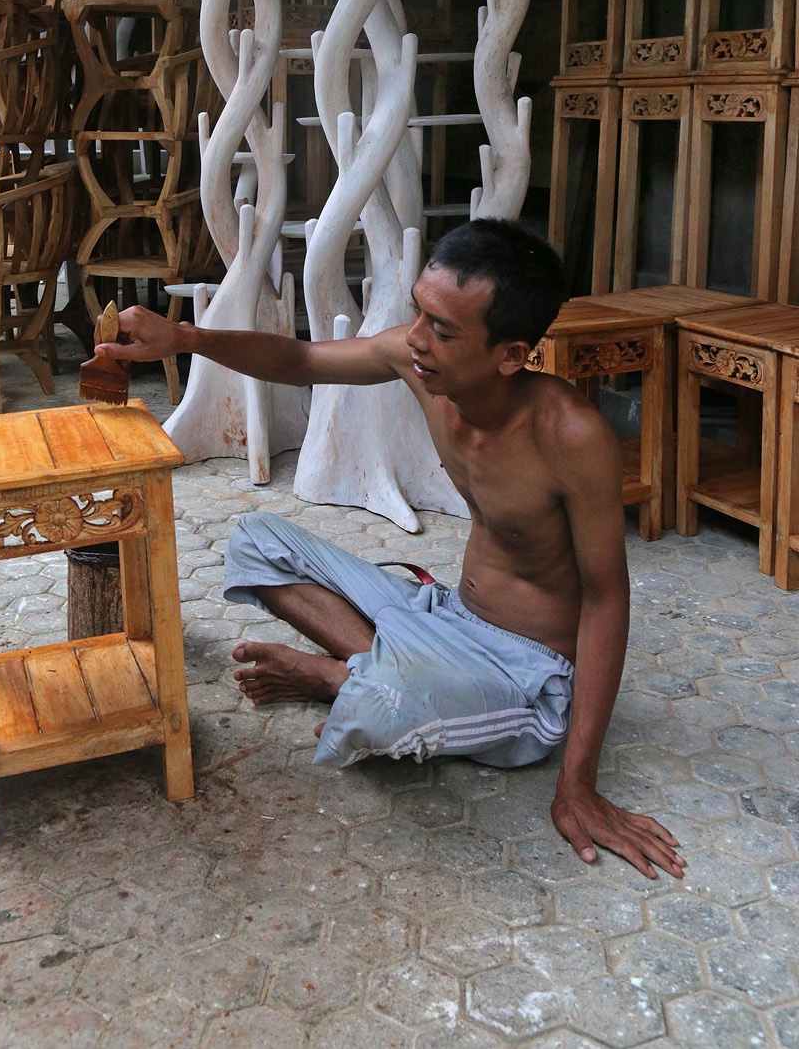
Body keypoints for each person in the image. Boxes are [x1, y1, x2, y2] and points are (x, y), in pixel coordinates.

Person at [99, 218, 685, 880]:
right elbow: (300, 361)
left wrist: (578, 782)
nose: (415, 339)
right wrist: (183, 337)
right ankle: (370, 668)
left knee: (380, 717)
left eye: (443, 329)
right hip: (440, 613)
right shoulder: (416, 363)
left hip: (521, 672)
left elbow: (607, 599)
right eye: (418, 313)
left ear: (511, 355)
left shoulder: (572, 437)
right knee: (255, 541)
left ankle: (337, 677)